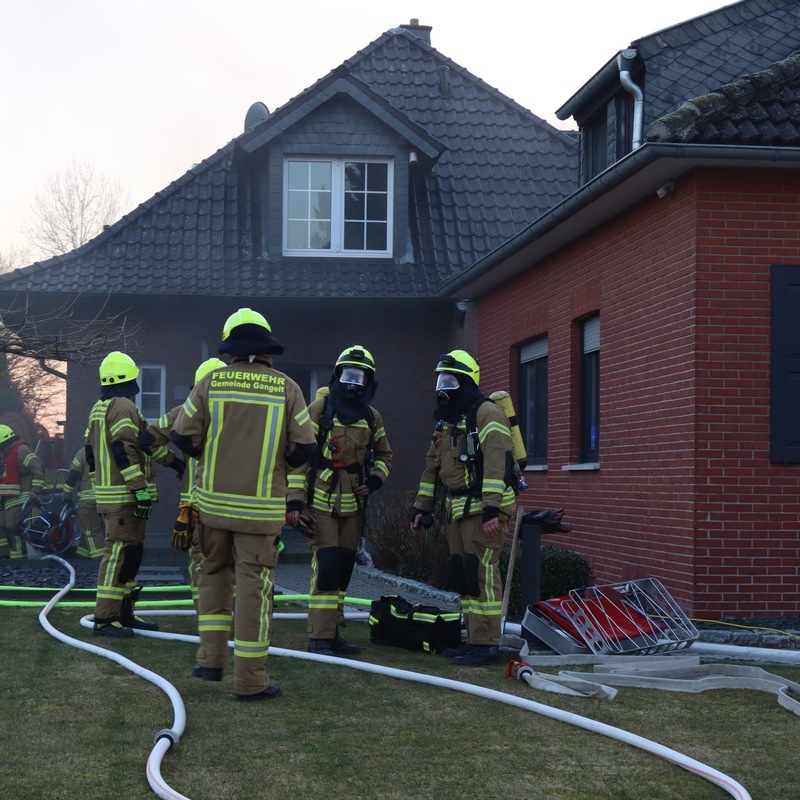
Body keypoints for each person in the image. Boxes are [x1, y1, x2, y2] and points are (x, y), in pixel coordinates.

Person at [171, 308, 316, 701]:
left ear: (230, 344)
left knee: (213, 577)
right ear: (266, 346)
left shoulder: (211, 383)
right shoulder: (288, 388)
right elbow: (304, 448)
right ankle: (250, 682)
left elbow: (183, 437)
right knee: (253, 590)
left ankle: (209, 659)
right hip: (260, 513)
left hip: (212, 507)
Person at [410, 349, 516, 666]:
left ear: (467, 382)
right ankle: (473, 640)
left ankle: (486, 645)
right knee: (465, 575)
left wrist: (491, 510)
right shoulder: (448, 422)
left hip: (483, 512)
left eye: (450, 380)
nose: (443, 387)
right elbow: (432, 467)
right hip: (457, 509)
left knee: (481, 574)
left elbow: (498, 463)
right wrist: (422, 508)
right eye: (440, 379)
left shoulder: (486, 414)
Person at [287, 345, 392, 656]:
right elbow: (298, 458)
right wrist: (294, 502)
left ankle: (333, 633)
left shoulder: (372, 417)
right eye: (347, 374)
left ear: (368, 381)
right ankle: (319, 636)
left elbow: (385, 454)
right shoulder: (320, 410)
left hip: (354, 507)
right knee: (328, 566)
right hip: (321, 503)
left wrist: (375, 479)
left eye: (359, 376)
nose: (352, 382)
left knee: (344, 568)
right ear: (337, 376)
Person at [86, 351, 183, 637]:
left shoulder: (99, 408)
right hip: (125, 499)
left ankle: (123, 613)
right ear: (131, 380)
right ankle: (105, 619)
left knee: (131, 554)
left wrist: (175, 463)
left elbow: (142, 446)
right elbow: (124, 449)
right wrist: (139, 489)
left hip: (112, 497)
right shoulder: (123, 407)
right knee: (118, 555)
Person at [139, 357, 226, 610]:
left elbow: (146, 441)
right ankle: (229, 614)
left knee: (200, 561)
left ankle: (206, 617)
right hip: (232, 503)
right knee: (232, 560)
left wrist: (176, 464)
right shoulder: (240, 416)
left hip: (195, 502)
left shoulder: (183, 413)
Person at [0, 425, 44, 559]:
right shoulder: (7, 455)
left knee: (14, 528)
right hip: (7, 500)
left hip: (21, 498)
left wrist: (35, 492)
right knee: (3, 527)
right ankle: (5, 555)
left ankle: (19, 558)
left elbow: (38, 470)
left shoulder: (21, 451)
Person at [61, 446, 104, 559]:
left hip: (90, 500)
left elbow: (72, 477)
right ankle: (82, 556)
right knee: (89, 528)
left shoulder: (83, 452)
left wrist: (66, 497)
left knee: (91, 530)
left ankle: (100, 561)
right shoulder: (110, 450)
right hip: (108, 499)